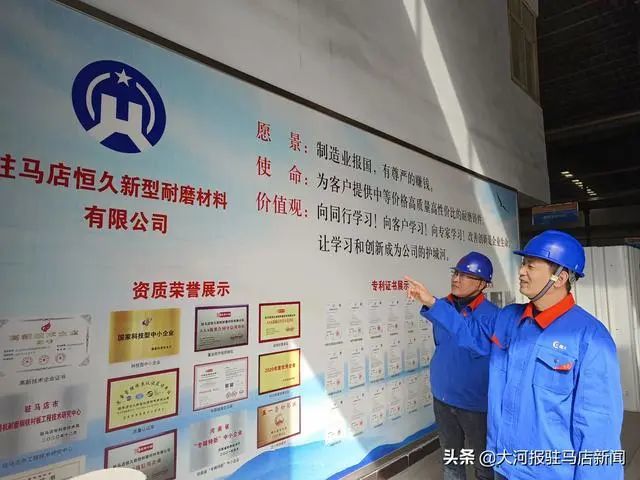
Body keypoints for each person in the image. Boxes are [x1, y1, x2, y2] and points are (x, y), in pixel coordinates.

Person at [406, 230, 623, 480]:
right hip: (503, 464)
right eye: (522, 264)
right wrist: (432, 303)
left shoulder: (590, 338)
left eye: (530, 265)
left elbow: (598, 428)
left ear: (560, 277)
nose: (521, 271)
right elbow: (469, 335)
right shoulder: (509, 318)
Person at [430, 252, 498, 480]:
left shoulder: (493, 317)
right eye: (456, 273)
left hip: (475, 405)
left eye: (466, 275)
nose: (456, 279)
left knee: (483, 465)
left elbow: (481, 348)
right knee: (451, 461)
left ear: (482, 284)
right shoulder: (442, 307)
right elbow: (440, 344)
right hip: (442, 398)